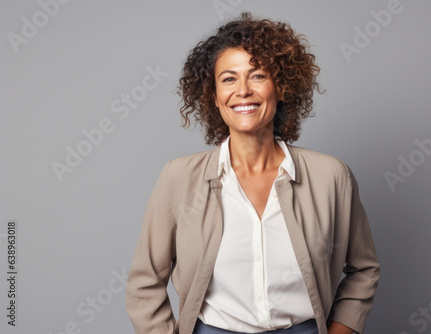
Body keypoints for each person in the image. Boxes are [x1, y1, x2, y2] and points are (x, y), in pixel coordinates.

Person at [126, 12, 380, 334]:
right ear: (213, 95)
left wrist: (341, 330)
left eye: (258, 75)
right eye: (229, 79)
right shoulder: (178, 178)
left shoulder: (331, 177)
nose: (243, 90)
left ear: (282, 87)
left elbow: (363, 268)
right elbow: (144, 282)